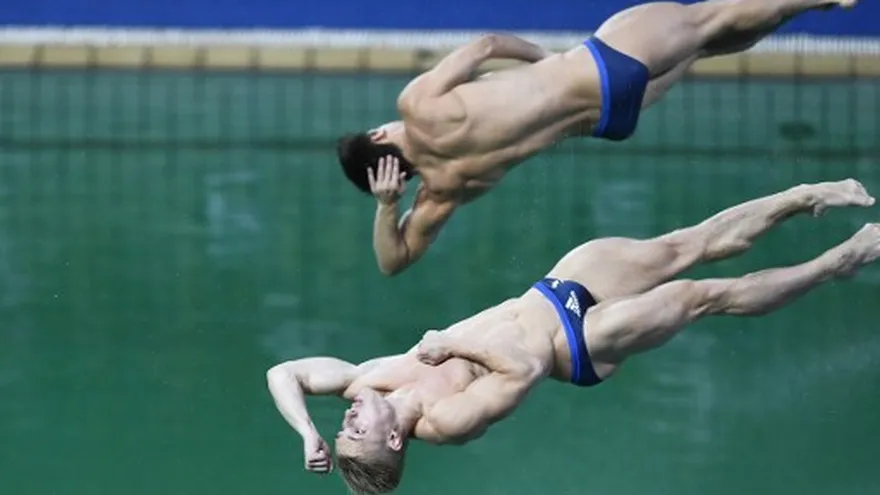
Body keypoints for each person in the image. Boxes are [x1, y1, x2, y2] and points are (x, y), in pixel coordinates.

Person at [267, 179, 877, 494]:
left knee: (687, 244)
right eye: (355, 433)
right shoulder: (443, 423)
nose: (345, 420)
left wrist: (305, 434)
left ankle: (801, 198)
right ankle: (837, 263)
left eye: (342, 427)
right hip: (578, 344)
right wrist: (453, 345)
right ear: (396, 438)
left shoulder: (367, 376)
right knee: (701, 296)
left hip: (554, 290)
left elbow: (284, 373)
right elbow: (523, 370)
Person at [334, 0, 858, 276]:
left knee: (704, 47)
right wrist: (548, 61)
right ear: (379, 133)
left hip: (611, 119)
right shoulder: (416, 104)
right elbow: (487, 43)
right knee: (706, 18)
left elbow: (392, 263)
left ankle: (795, 6)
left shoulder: (443, 190)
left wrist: (387, 208)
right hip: (601, 67)